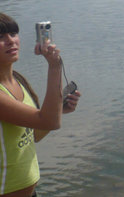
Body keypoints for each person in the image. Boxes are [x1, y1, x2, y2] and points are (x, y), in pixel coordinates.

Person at [0, 13, 81, 197]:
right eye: (0, 37)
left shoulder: (18, 80)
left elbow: (33, 134)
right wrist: (54, 67)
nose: (11, 41)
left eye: (13, 34)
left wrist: (59, 110)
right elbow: (49, 122)